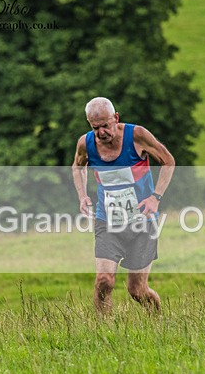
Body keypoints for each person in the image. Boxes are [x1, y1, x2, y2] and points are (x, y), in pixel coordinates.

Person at [72, 97, 175, 315]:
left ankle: (158, 321)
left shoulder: (136, 136)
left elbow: (168, 161)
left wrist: (155, 197)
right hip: (107, 221)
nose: (101, 133)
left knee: (137, 291)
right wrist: (82, 195)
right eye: (95, 127)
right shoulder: (86, 143)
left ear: (116, 118)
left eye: (105, 126)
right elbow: (77, 166)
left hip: (142, 222)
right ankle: (104, 335)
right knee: (104, 280)